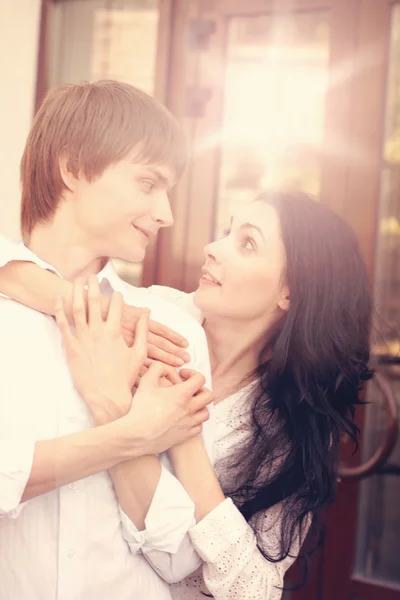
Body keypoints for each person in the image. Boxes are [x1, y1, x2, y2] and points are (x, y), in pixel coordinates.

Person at [0, 189, 373, 599]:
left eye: (247, 243)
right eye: (226, 233)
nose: (212, 249)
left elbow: (255, 590)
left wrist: (181, 435)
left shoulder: (292, 423)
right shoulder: (152, 315)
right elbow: (11, 272)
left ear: (291, 290)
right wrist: (91, 312)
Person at [0, 80, 216, 600]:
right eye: (148, 183)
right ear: (72, 167)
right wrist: (133, 432)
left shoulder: (170, 332)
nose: (166, 213)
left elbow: (183, 556)